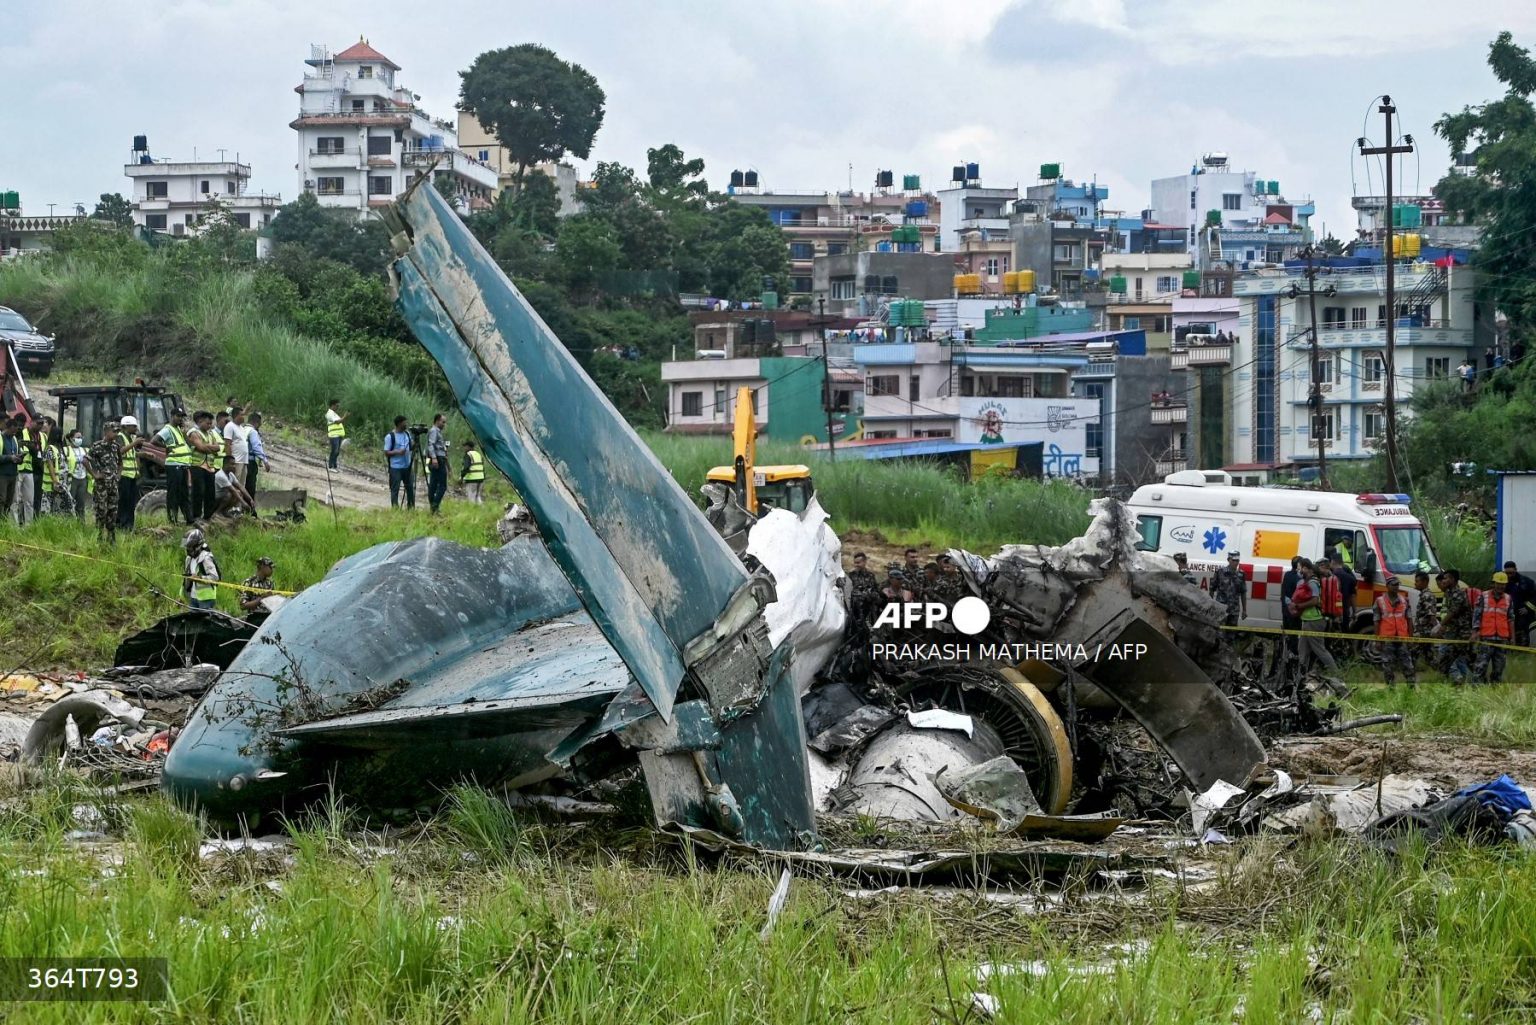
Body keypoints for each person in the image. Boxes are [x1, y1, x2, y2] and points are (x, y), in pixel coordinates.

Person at [1290, 559, 1339, 676]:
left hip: (1314, 620)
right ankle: (1301, 677)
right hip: (1307, 620)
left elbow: (1315, 600)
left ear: (1306, 568)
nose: (1299, 570)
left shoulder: (1313, 582)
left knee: (1320, 650)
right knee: (1302, 651)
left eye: (1300, 567)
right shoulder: (1309, 581)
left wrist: (1298, 605)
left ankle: (1337, 674)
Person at [1472, 571, 1515, 684]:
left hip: (1502, 639)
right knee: (1480, 667)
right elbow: (1477, 614)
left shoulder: (1508, 599)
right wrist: (1475, 632)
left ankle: (1494, 691)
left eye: (1503, 584)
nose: (1501, 586)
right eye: (1498, 583)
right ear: (1493, 583)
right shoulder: (1483, 596)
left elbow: (1511, 619)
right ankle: (1476, 690)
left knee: (1499, 669)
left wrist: (1512, 637)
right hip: (1486, 638)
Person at [1372, 576, 1416, 687]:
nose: (1396, 587)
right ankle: (1391, 689)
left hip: (1402, 639)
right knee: (1388, 667)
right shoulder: (1379, 601)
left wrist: (1411, 638)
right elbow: (1376, 622)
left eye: (1397, 585)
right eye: (1393, 585)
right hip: (1387, 640)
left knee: (1408, 666)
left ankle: (1411, 688)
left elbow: (1409, 620)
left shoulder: (1404, 600)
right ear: (1387, 586)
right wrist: (1377, 640)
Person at [156, 408, 196, 525]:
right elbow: (155, 440)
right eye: (178, 416)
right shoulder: (167, 429)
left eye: (181, 417)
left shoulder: (178, 430)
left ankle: (189, 518)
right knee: (174, 493)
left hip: (182, 465)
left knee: (184, 493)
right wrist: (166, 448)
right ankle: (172, 519)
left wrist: (184, 431)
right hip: (174, 465)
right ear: (172, 416)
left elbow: (188, 444)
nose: (180, 419)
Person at [84, 420, 122, 543]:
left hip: (113, 485)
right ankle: (99, 538)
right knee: (101, 511)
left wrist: (118, 475)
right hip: (102, 486)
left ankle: (111, 539)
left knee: (113, 511)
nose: (116, 434)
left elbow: (120, 462)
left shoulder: (116, 446)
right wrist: (95, 474)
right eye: (114, 431)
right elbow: (85, 460)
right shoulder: (97, 446)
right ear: (106, 432)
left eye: (117, 431)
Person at [1433, 569, 1472, 684]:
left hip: (1461, 633)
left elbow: (1453, 612)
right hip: (1453, 632)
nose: (1443, 581)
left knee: (1448, 659)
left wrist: (1440, 625)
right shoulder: (1448, 593)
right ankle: (1462, 682)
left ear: (1453, 579)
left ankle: (1465, 681)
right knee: (1454, 660)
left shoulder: (1458, 593)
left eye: (1446, 578)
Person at [188, 411, 221, 523]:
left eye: (211, 423)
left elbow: (218, 448)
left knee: (210, 492)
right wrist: (209, 448)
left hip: (210, 466)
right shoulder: (194, 433)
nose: (210, 425)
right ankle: (196, 515)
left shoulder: (211, 434)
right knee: (198, 491)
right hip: (198, 465)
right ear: (200, 421)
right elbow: (200, 447)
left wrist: (206, 447)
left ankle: (208, 515)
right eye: (207, 423)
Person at [116, 415, 144, 531]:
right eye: (133, 426)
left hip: (131, 475)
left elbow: (131, 456)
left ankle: (129, 526)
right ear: (126, 426)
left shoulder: (129, 438)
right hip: (124, 475)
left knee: (130, 502)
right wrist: (135, 443)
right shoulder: (120, 437)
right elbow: (120, 451)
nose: (135, 429)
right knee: (123, 502)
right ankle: (121, 525)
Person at [182, 528, 220, 611]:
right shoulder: (189, 559)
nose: (188, 550)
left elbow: (215, 577)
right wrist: (181, 596)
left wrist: (200, 579)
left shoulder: (206, 558)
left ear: (197, 546)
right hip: (193, 597)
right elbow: (185, 578)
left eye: (190, 548)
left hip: (206, 599)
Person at [1412, 569, 1442, 674]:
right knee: (1428, 654)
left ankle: (1409, 672)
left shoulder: (1427, 595)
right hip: (1424, 630)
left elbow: (1431, 614)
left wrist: (1436, 629)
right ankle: (1438, 671)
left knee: (1413, 652)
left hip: (1422, 631)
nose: (1415, 583)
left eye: (1417, 581)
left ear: (1424, 582)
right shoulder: (1424, 595)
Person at [384, 416, 415, 509]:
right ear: (399, 423)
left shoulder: (407, 434)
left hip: (407, 466)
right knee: (395, 489)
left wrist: (415, 444)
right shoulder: (390, 436)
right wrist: (398, 452)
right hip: (395, 467)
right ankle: (395, 508)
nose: (406, 424)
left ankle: (411, 507)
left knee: (410, 488)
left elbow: (410, 446)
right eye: (404, 422)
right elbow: (386, 452)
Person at [1503, 561, 1536, 647]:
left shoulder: (1528, 582)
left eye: (1511, 573)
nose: (1509, 575)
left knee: (1523, 642)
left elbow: (1535, 597)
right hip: (1507, 617)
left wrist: (1527, 608)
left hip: (1523, 618)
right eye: (1507, 573)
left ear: (1516, 570)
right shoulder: (1503, 583)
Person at [1210, 551, 1247, 626]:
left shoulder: (1241, 574)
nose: (1236, 562)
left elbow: (1243, 592)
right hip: (1221, 609)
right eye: (1234, 560)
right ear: (1228, 560)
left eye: (1237, 560)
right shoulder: (1220, 572)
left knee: (1231, 635)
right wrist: (1211, 606)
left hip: (1234, 611)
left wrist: (1244, 610)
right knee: (1219, 634)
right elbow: (1212, 589)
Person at [13, 416, 37, 525]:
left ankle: (29, 526)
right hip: (17, 471)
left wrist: (31, 447)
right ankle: (15, 526)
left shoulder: (28, 434)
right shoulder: (11, 436)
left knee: (29, 501)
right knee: (15, 501)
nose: (20, 426)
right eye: (18, 424)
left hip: (28, 470)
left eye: (22, 424)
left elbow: (35, 453)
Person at [245, 412, 270, 508]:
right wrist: (265, 460)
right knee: (250, 487)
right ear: (256, 422)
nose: (259, 426)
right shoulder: (253, 432)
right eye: (259, 424)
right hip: (250, 462)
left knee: (242, 485)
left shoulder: (242, 429)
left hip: (240, 461)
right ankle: (249, 509)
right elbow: (256, 447)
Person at [223, 406, 250, 496]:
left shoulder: (242, 428)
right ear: (236, 416)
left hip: (243, 461)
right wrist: (230, 461)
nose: (244, 417)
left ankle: (238, 507)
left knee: (241, 485)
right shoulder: (230, 426)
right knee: (234, 484)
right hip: (236, 461)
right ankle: (231, 507)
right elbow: (227, 444)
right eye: (242, 415)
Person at [425, 413, 449, 514]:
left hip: (438, 457)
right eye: (443, 422)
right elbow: (431, 444)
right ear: (437, 421)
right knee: (442, 485)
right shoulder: (434, 431)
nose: (444, 424)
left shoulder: (436, 431)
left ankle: (433, 508)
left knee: (433, 484)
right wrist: (434, 458)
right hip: (438, 458)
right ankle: (435, 506)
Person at [65, 427, 88, 520]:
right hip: (72, 479)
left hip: (82, 478)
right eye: (77, 437)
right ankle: (69, 522)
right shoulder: (66, 450)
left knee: (81, 503)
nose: (80, 440)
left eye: (81, 437)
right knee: (70, 502)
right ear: (71, 438)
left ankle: (81, 523)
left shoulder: (85, 450)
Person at [0, 418, 20, 519]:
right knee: (2, 499)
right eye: (12, 432)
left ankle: (4, 521)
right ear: (7, 428)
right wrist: (10, 457)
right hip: (2, 475)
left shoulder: (14, 439)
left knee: (9, 501)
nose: (13, 434)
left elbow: (15, 453)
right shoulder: (0, 438)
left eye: (15, 432)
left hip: (13, 474)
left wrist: (19, 458)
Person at [460, 438, 485, 504]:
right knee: (478, 497)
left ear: (468, 447)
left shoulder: (468, 455)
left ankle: (472, 511)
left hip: (472, 479)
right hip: (480, 479)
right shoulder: (478, 454)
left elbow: (466, 467)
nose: (464, 448)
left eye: (465, 446)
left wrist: (461, 477)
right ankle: (481, 511)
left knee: (471, 497)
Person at [326, 399, 347, 470]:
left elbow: (341, 421)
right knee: (334, 451)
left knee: (337, 452)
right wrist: (345, 416)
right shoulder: (329, 414)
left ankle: (335, 466)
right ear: (333, 405)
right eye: (337, 406)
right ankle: (331, 466)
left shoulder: (335, 414)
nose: (338, 407)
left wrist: (344, 417)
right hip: (334, 435)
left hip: (338, 435)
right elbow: (338, 422)